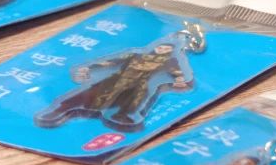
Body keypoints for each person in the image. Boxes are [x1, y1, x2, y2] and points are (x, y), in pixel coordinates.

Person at [35, 41, 194, 132]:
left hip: (139, 82)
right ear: (156, 47)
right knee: (90, 94)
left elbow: (176, 71)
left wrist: (180, 79)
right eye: (161, 47)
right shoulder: (136, 54)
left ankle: (123, 116)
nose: (162, 50)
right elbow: (112, 62)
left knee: (136, 99)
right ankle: (60, 110)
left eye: (167, 49)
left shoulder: (169, 61)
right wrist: (91, 67)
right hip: (117, 78)